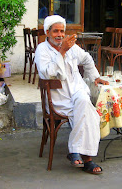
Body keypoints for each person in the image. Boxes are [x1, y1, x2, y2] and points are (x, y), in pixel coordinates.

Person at [35, 15, 109, 175]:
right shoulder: (42, 49)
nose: (60, 35)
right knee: (89, 113)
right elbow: (47, 73)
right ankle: (88, 159)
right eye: (55, 31)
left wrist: (95, 77)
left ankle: (76, 151)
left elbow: (87, 59)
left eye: (62, 31)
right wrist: (61, 52)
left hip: (77, 90)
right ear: (47, 32)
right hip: (57, 98)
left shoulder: (72, 47)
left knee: (84, 102)